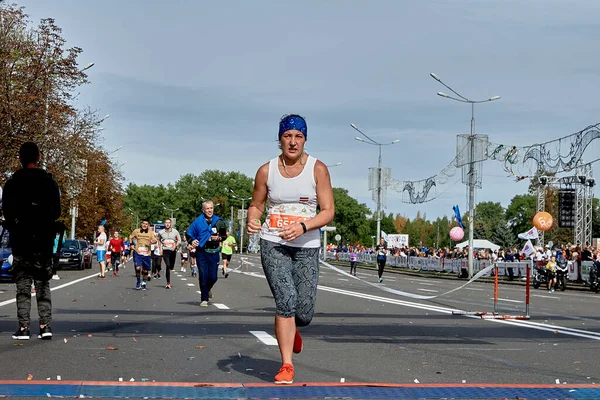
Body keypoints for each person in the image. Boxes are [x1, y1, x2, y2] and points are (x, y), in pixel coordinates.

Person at [247, 114, 334, 384]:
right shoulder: (266, 170)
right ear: (280, 139)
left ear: (305, 139)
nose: (293, 142)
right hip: (274, 243)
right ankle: (286, 364)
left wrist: (304, 226)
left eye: (298, 136)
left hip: (306, 244)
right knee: (285, 301)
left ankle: (294, 328)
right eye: (287, 136)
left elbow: (328, 211)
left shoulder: (317, 169)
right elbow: (257, 205)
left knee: (304, 311)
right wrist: (252, 218)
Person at [2, 142, 61, 340]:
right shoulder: (49, 182)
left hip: (21, 240)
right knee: (43, 283)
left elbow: (7, 213)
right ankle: (45, 326)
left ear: (20, 159)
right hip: (44, 240)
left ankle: (24, 327)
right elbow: (57, 212)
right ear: (39, 157)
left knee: (23, 285)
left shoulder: (13, 183)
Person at [186, 200, 226, 307]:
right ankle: (204, 298)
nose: (210, 210)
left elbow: (224, 236)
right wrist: (192, 241)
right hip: (202, 252)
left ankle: (207, 289)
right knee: (203, 276)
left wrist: (218, 237)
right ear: (203, 210)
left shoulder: (219, 221)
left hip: (214, 252)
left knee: (213, 277)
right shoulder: (197, 222)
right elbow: (188, 234)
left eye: (211, 208)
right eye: (207, 208)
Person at [129, 219, 157, 290]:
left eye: (146, 224)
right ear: (141, 224)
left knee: (145, 270)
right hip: (138, 252)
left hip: (147, 253)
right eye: (143, 223)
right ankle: (138, 281)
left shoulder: (150, 233)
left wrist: (152, 242)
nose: (144, 225)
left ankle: (144, 282)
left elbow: (155, 240)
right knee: (138, 268)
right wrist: (131, 244)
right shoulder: (136, 231)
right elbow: (130, 237)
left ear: (148, 225)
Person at [158, 218, 181, 289]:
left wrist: (175, 246)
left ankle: (170, 268)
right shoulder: (161, 232)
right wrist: (160, 249)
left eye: (169, 223)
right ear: (164, 224)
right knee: (167, 266)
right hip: (165, 251)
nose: (167, 224)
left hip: (172, 251)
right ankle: (168, 283)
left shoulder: (175, 232)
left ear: (171, 224)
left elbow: (179, 240)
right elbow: (159, 240)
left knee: (171, 266)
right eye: (166, 222)